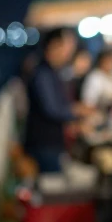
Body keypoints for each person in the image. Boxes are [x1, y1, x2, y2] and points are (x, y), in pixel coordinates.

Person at [23, 29, 92, 173]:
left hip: (52, 142)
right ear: (54, 45)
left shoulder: (53, 71)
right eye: (68, 46)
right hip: (44, 143)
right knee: (52, 179)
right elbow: (52, 109)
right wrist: (76, 110)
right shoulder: (43, 74)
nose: (70, 52)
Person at [80, 49, 112, 117]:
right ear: (101, 61)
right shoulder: (95, 77)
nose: (111, 64)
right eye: (108, 61)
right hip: (97, 113)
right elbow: (88, 103)